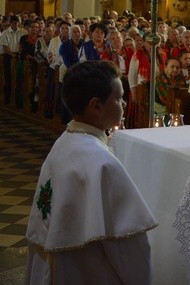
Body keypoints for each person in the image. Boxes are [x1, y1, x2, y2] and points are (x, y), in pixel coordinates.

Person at [25, 60, 157, 284]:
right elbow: (130, 247)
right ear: (96, 106)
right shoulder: (101, 162)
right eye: (118, 98)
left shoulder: (64, 143)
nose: (124, 103)